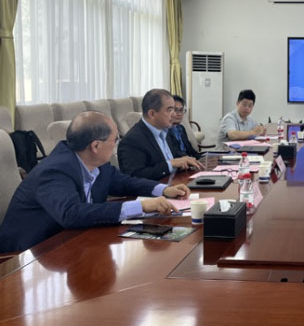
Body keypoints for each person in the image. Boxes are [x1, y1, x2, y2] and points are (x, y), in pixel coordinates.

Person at [0, 112, 190, 253]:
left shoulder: (95, 162)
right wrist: (141, 206)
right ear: (96, 145)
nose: (116, 145)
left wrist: (163, 190)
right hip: (31, 254)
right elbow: (71, 213)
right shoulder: (54, 170)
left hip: (73, 241)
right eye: (114, 140)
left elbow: (123, 182)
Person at [118, 89, 203, 180]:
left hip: (178, 182)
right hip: (158, 188)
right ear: (152, 114)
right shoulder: (132, 140)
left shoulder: (166, 131)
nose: (174, 114)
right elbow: (134, 177)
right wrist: (170, 164)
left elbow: (176, 158)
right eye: (169, 110)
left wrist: (186, 160)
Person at [167, 95, 201, 159]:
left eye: (181, 110)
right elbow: (175, 153)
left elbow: (191, 150)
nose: (179, 114)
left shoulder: (181, 128)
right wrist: (190, 159)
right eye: (176, 110)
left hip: (189, 161)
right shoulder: (164, 131)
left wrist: (203, 158)